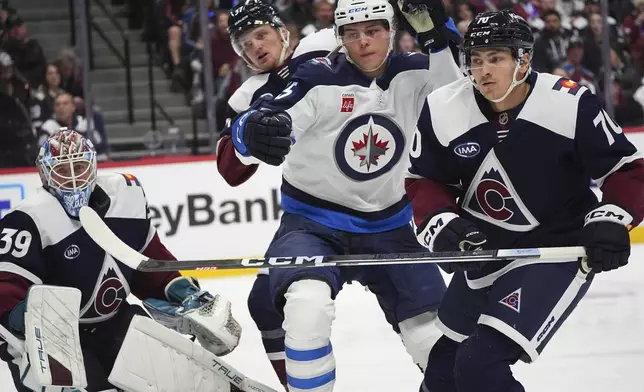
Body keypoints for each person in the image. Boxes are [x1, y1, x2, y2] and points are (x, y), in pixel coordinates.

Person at [226, 0, 463, 390]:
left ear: (391, 31)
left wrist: (440, 38)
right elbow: (271, 117)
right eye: (352, 33)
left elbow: (461, 97)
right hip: (314, 225)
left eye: (373, 31)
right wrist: (248, 134)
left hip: (391, 228)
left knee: (435, 339)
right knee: (305, 307)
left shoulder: (417, 72)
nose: (364, 42)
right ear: (339, 38)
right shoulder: (317, 78)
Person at [406, 10, 644, 392]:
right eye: (475, 60)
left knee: (479, 365)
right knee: (442, 372)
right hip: (485, 256)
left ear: (524, 60)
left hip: (553, 253)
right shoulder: (442, 106)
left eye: (496, 58)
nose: (483, 71)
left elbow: (626, 169)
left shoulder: (569, 103)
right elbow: (424, 180)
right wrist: (442, 221)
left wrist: (613, 217)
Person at [0, 129, 244, 391]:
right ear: (45, 174)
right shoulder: (26, 220)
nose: (73, 178)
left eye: (80, 166)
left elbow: (146, 261)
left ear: (93, 165)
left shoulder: (126, 195)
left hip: (114, 322)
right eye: (62, 170)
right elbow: (5, 293)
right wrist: (31, 324)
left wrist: (181, 292)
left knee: (181, 377)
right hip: (54, 342)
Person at [216, 0, 340, 387]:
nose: (254, 47)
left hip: (375, 193)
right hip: (311, 213)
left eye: (260, 35)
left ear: (282, 31)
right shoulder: (246, 98)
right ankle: (298, 384)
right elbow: (230, 171)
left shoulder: (325, 44)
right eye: (243, 43)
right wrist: (242, 138)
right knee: (264, 302)